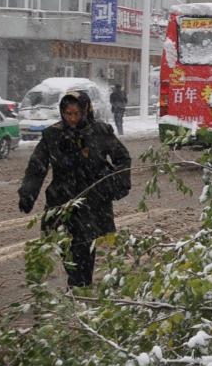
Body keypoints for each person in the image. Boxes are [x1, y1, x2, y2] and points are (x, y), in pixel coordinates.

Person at [16, 90, 132, 288]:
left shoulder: (101, 132)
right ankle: (78, 284)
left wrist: (110, 183)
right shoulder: (53, 135)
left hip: (92, 203)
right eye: (68, 113)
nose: (72, 118)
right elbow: (37, 166)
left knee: (85, 249)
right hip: (62, 203)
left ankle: (81, 287)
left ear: (85, 110)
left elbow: (123, 159)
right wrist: (28, 193)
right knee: (66, 247)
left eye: (76, 113)